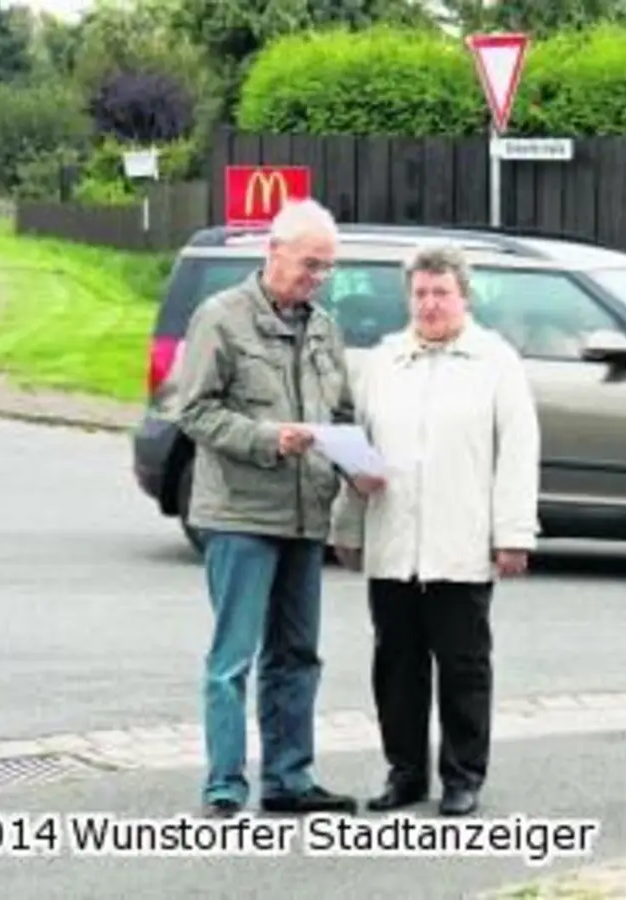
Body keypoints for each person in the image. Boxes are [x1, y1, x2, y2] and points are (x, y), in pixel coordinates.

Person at [329, 242, 541, 817]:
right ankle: (405, 773)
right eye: (420, 293)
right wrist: (347, 529)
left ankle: (463, 775)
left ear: (463, 296)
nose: (429, 304)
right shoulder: (385, 360)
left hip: (461, 543)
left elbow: (517, 452)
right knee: (396, 665)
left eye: (440, 292)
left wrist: (513, 533)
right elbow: (359, 451)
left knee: (463, 666)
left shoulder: (495, 362)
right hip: (394, 543)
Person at [165, 198, 359, 819]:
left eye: (327, 268)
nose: (318, 278)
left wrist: (357, 461)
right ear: (273, 251)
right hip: (241, 515)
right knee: (233, 659)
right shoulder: (220, 318)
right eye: (310, 264)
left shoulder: (326, 328)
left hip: (305, 515)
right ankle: (225, 786)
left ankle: (289, 780)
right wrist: (267, 438)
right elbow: (193, 412)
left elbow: (343, 412)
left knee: (297, 655)